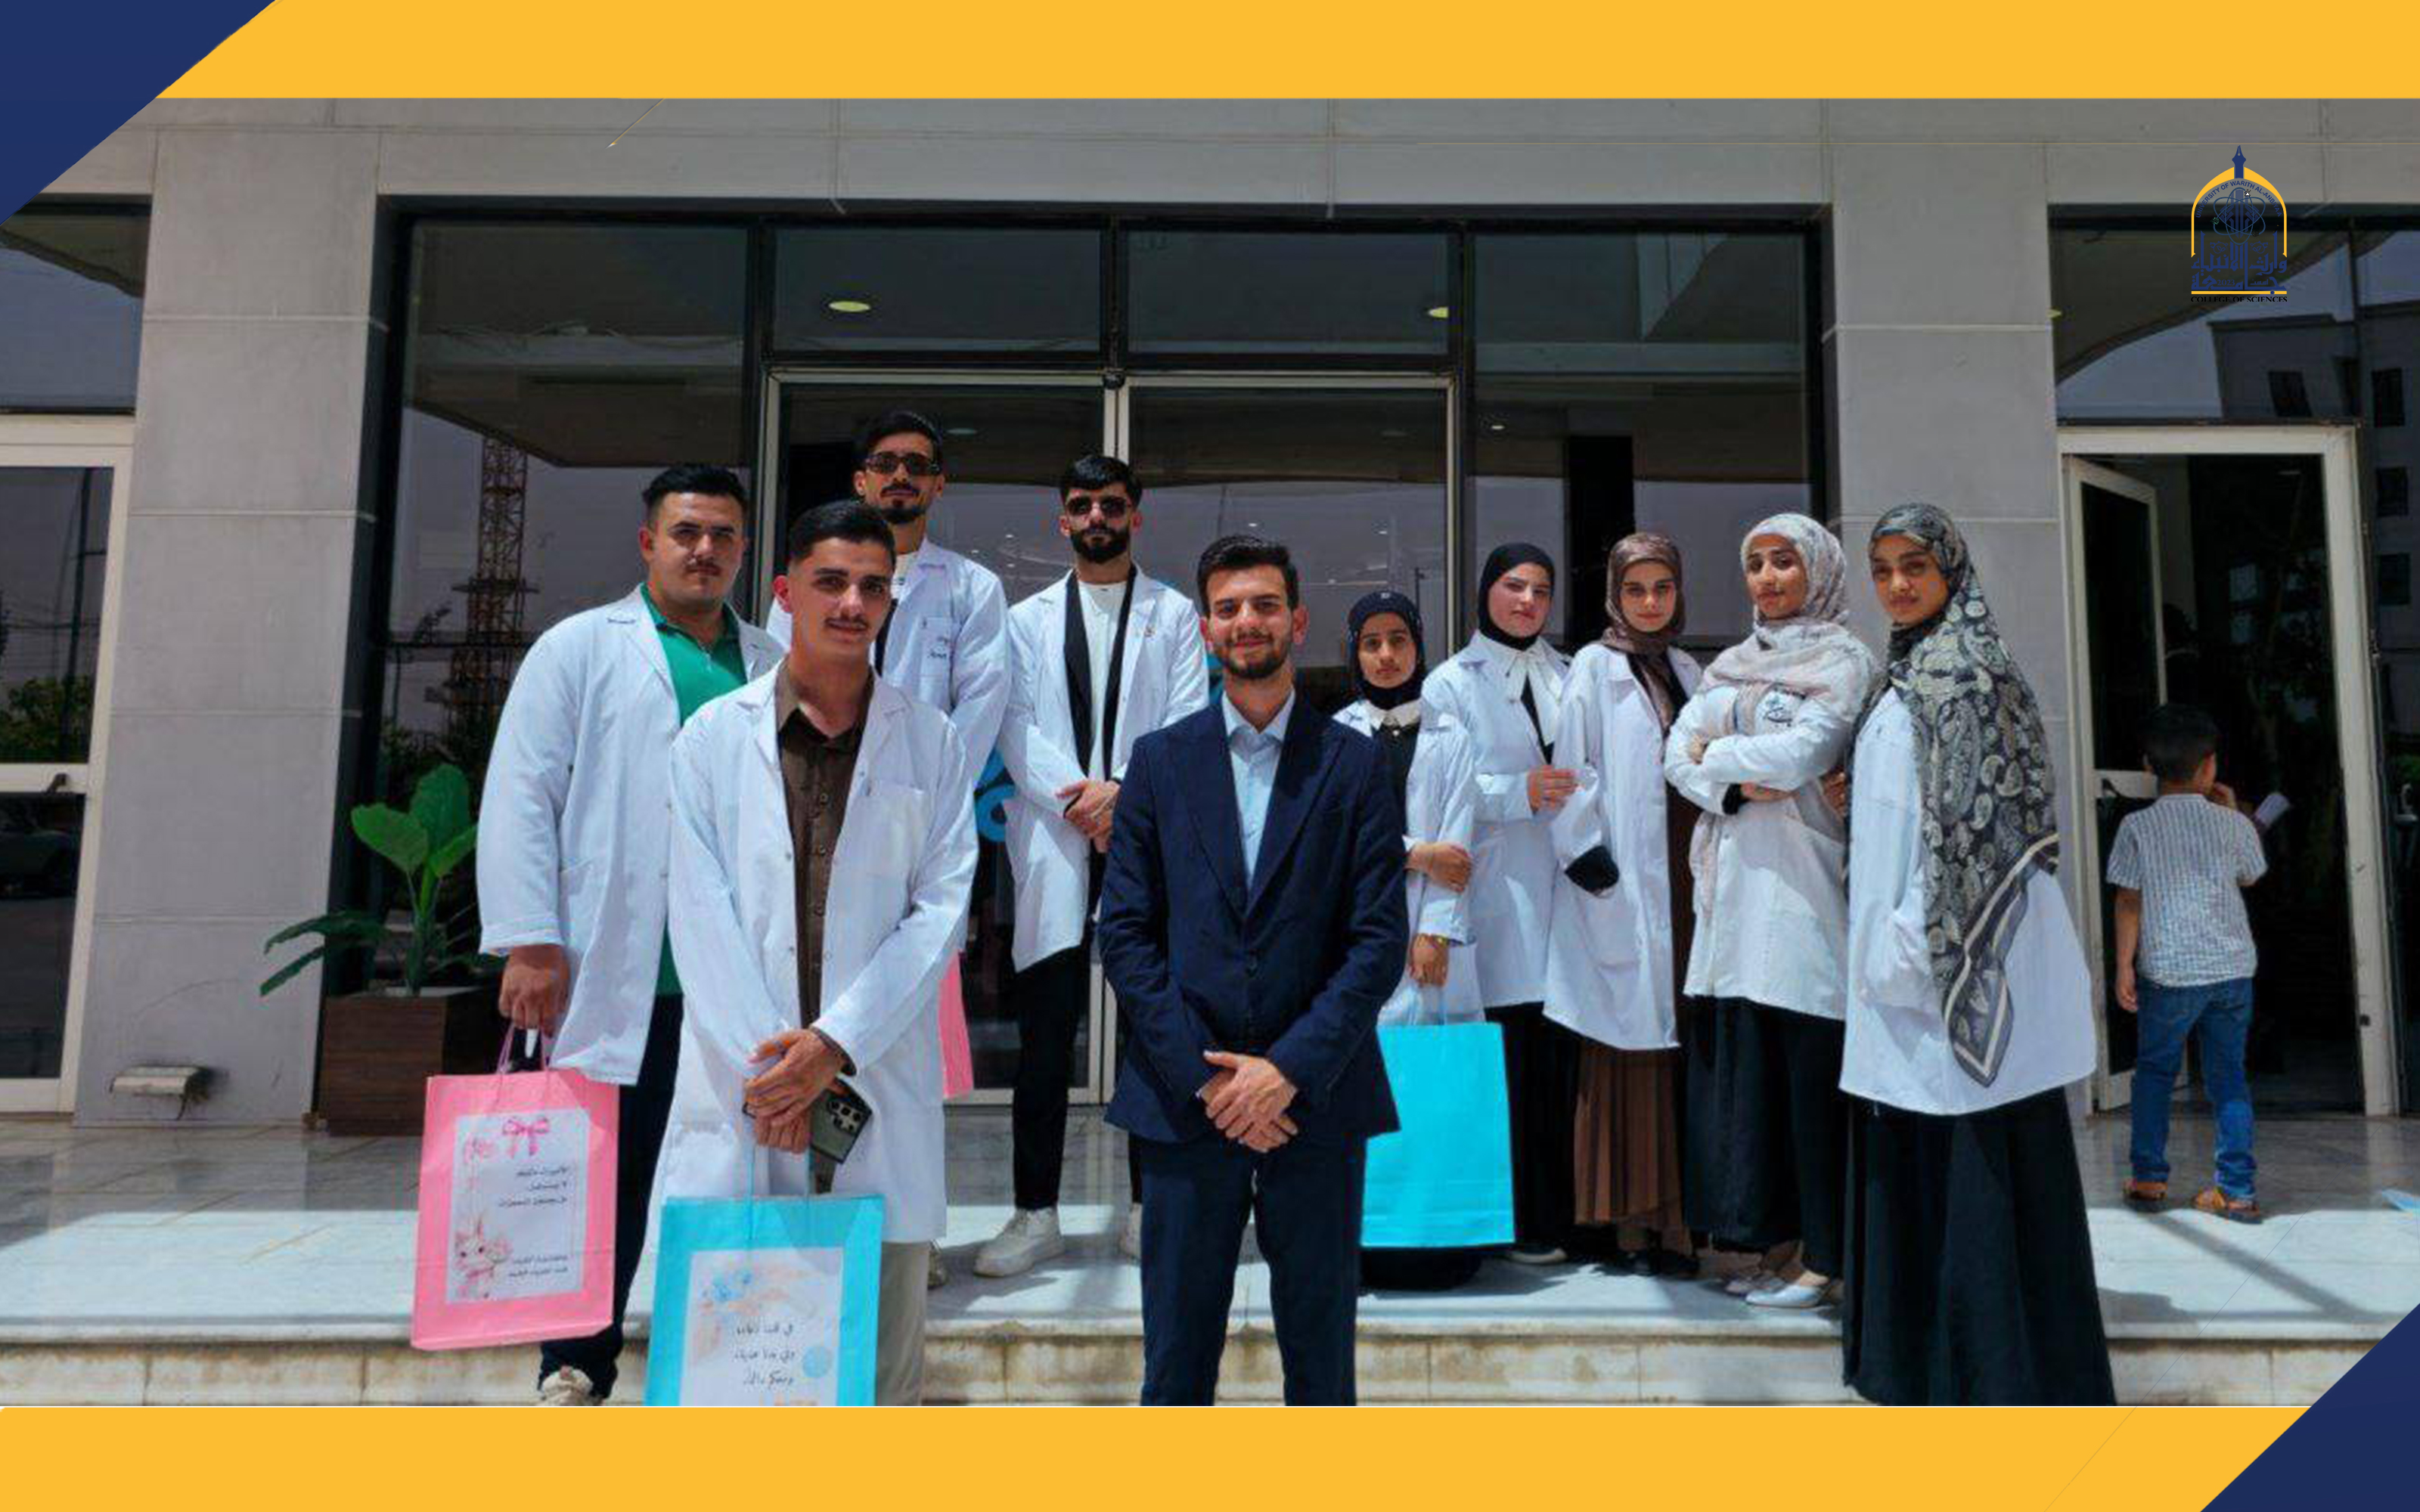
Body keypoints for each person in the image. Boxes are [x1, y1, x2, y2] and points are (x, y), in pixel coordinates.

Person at [658, 500, 978, 1406]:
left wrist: (832, 1047)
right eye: (830, 581)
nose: (851, 603)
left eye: (872, 587)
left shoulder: (933, 739)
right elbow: (699, 914)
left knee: (880, 1379)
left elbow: (939, 912)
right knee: (737, 1386)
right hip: (746, 1094)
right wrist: (775, 1076)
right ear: (784, 591)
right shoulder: (712, 738)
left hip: (872, 1085)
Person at [476, 464, 783, 1406]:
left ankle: (741, 1360)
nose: (705, 550)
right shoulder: (580, 647)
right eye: (686, 532)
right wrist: (531, 939)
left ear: (743, 549)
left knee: (735, 1167)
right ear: (649, 542)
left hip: (734, 973)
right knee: (602, 1171)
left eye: (723, 535)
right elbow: (522, 792)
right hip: (622, 971)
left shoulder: (770, 659)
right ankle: (575, 1359)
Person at [1097, 535, 1407, 1405]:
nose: (1246, 621)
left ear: (1296, 621)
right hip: (1183, 1101)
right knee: (1175, 1361)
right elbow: (1126, 934)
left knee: (1320, 1362)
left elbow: (1377, 940)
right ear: (1205, 628)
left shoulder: (1352, 762)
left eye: (1264, 604)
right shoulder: (1158, 761)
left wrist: (1284, 1072)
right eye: (1228, 607)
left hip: (1318, 1099)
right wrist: (1213, 1082)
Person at [1835, 503, 2113, 1405]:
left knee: (1974, 1155)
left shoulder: (1972, 674)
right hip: (1900, 949)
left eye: (1913, 565)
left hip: (1953, 950)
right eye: (1881, 569)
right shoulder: (1900, 674)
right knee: (1920, 1146)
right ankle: (1922, 1364)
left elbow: (1979, 828)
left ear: (1949, 569)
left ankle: (1989, 1374)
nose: (1896, 584)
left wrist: (1918, 935)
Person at [768, 409, 1007, 1289]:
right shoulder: (810, 574)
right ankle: (814, 1218)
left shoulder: (972, 587)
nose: (900, 476)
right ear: (861, 478)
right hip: (813, 817)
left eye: (917, 464)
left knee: (906, 1045)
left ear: (938, 483)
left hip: (917, 825)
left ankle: (909, 1234)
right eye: (885, 462)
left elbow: (982, 701)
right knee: (808, 1022)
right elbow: (779, 679)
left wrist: (921, 786)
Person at [976, 456, 1209, 1278]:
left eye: (1112, 504)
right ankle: (1034, 1212)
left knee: (1152, 1032)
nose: (1097, 517)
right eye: (1082, 505)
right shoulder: (1022, 619)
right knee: (1044, 1040)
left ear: (1135, 516)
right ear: (1063, 520)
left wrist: (1124, 799)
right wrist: (1081, 801)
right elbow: (1011, 723)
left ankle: (1149, 1208)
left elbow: (1186, 719)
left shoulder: (1174, 616)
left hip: (1144, 840)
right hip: (1055, 834)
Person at [1664, 513, 1874, 1309]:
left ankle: (1825, 1258)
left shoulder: (1844, 660)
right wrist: (1728, 784)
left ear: (1817, 569)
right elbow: (1672, 755)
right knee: (1758, 1090)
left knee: (1810, 1090)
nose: (1768, 578)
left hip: (1803, 899)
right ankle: (1780, 1248)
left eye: (1784, 561)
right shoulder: (1731, 663)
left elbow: (1804, 753)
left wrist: (1714, 757)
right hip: (1732, 902)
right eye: (1755, 564)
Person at [1544, 534, 1702, 1276]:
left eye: (1661, 587)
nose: (1649, 602)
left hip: (1687, 884)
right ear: (1614, 593)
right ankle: (1633, 1228)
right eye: (1634, 588)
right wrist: (1586, 857)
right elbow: (1571, 768)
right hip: (1623, 883)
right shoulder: (1592, 667)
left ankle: (1682, 1225)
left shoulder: (1688, 671)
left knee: (1681, 1057)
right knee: (1626, 1060)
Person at [1421, 544, 1579, 1265]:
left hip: (1564, 891)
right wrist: (1519, 794)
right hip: (1493, 894)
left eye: (1541, 590)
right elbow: (1443, 786)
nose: (1527, 601)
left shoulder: (1568, 673)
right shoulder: (1452, 682)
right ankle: (1505, 1222)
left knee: (1553, 1064)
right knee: (1504, 1065)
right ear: (1486, 591)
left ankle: (1557, 1216)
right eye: (1514, 586)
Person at [1333, 590, 1484, 1290]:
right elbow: (1336, 840)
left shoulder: (1454, 736)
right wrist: (1417, 854)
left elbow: (1461, 843)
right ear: (1354, 653)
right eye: (1371, 643)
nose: (1386, 655)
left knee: (1433, 1097)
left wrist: (1435, 932)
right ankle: (1364, 1239)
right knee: (1359, 1091)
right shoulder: (1334, 737)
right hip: (1354, 937)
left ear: (1419, 647)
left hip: (1429, 944)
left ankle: (1437, 1244)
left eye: (1399, 640)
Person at [2108, 702, 2268, 1223]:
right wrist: (2234, 811)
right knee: (2229, 1078)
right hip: (2231, 971)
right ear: (2209, 767)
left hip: (2169, 972)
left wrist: (2124, 965)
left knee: (2155, 1073)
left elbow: (2128, 899)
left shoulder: (2136, 826)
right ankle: (2237, 1191)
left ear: (2148, 766)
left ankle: (2149, 1178)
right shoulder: (2233, 824)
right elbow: (2250, 875)